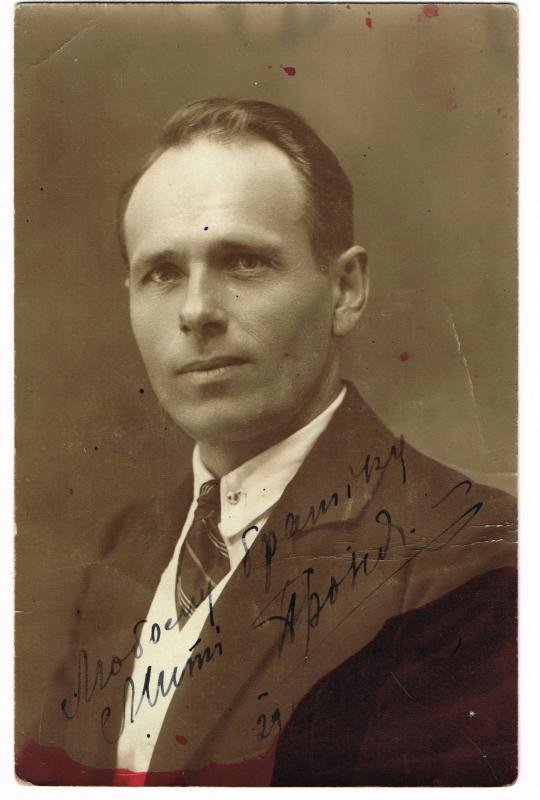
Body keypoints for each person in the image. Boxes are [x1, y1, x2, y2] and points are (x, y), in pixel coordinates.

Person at [18, 98, 517, 787]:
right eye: (163, 273)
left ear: (345, 290)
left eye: (244, 262)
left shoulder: (471, 561)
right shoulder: (129, 545)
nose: (197, 311)